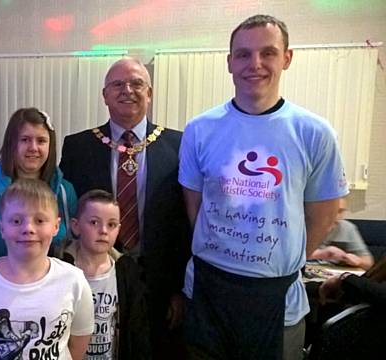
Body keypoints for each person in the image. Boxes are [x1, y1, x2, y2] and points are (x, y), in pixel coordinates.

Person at [179, 14, 349, 359]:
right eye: (243, 54)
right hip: (206, 291)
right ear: (229, 62)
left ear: (287, 58)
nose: (254, 64)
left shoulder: (314, 132)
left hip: (276, 299)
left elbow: (325, 213)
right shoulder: (200, 129)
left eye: (267, 53)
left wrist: (283, 257)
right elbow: (195, 206)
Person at [60, 57, 191, 357]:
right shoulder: (78, 146)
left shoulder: (179, 144)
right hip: (97, 278)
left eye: (136, 84)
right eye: (117, 84)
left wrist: (179, 288)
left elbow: (184, 222)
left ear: (150, 93)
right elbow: (69, 212)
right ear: (104, 95)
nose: (127, 90)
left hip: (160, 280)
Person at [0, 179, 94, 359]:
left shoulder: (74, 280)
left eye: (39, 220)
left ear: (56, 226)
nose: (28, 228)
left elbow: (79, 343)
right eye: (16, 220)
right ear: (2, 228)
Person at [58, 189, 151, 360]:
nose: (103, 231)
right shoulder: (60, 270)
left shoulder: (126, 272)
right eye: (94, 222)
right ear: (76, 226)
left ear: (118, 230)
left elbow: (137, 331)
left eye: (111, 224)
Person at [0, 107, 77, 257]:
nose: (33, 148)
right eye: (25, 140)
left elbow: (74, 244)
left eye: (41, 141)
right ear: (11, 144)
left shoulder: (66, 191)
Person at [309, 198, 374, 270]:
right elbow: (294, 256)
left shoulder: (347, 228)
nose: (336, 216)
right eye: (331, 210)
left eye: (340, 211)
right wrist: (320, 254)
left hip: (330, 275)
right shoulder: (303, 225)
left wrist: (358, 261)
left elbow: (369, 263)